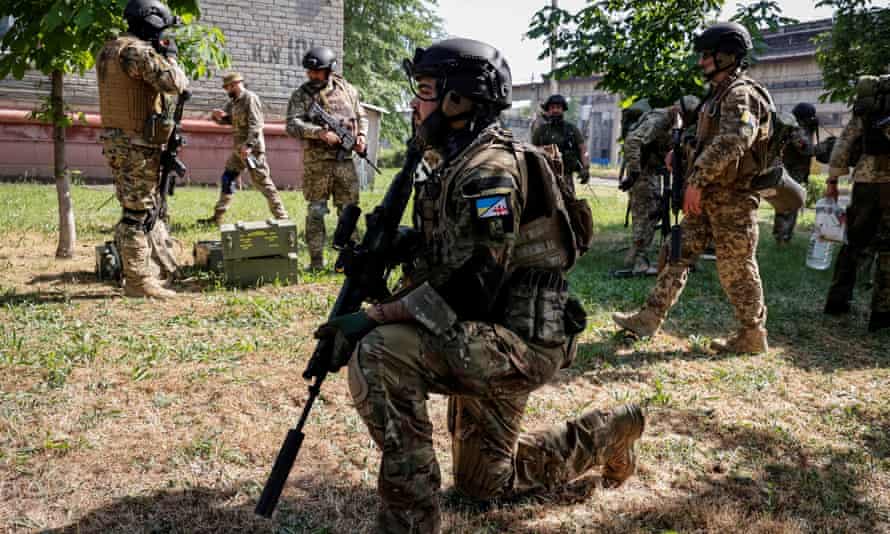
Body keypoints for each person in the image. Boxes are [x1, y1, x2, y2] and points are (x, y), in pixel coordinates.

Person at [314, 39, 645, 534]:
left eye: (425, 92)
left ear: (458, 100)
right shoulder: (455, 160)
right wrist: (403, 244)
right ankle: (611, 432)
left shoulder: (489, 171)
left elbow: (477, 286)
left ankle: (408, 521)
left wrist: (376, 316)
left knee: (380, 352)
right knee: (484, 485)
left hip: (515, 340)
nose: (415, 104)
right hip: (480, 333)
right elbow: (458, 254)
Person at [613, 22, 772, 354]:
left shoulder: (742, 94)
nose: (701, 62)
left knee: (736, 267)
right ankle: (649, 317)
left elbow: (733, 142)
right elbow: (709, 140)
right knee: (676, 253)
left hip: (733, 198)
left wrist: (696, 181)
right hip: (709, 195)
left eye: (707, 56)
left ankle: (752, 334)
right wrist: (681, 152)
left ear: (728, 55)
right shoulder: (717, 95)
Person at [96, 0, 188, 298]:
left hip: (119, 141)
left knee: (135, 207)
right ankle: (138, 282)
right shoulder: (136, 51)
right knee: (137, 213)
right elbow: (174, 83)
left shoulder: (110, 49)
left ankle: (141, 272)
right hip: (136, 143)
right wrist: (171, 57)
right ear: (150, 23)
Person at [285, 46, 368, 271]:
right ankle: (316, 263)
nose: (312, 75)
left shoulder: (348, 90)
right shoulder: (302, 95)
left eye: (317, 71)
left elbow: (361, 116)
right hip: (317, 164)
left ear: (330, 69)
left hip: (345, 162)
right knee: (316, 212)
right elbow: (292, 125)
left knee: (349, 211)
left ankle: (349, 262)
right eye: (309, 71)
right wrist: (320, 133)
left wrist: (361, 136)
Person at [823, 77, 890, 332]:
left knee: (854, 242)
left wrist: (832, 179)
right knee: (888, 248)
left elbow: (844, 143)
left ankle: (837, 301)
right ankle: (882, 315)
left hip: (865, 181)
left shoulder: (868, 105)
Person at [619, 96, 700, 274]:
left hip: (654, 169)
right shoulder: (658, 119)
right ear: (681, 111)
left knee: (656, 209)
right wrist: (634, 172)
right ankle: (638, 259)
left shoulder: (674, 124)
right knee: (646, 211)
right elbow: (632, 142)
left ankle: (652, 254)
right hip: (642, 170)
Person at [197, 72, 288, 225]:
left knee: (263, 183)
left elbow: (256, 125)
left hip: (252, 150)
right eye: (226, 88)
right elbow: (227, 121)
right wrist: (216, 116)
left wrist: (249, 146)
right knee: (228, 178)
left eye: (228, 87)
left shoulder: (250, 98)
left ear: (235, 85)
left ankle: (282, 218)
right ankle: (217, 217)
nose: (227, 90)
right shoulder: (233, 102)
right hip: (238, 150)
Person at [772, 102, 817, 244]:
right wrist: (822, 147)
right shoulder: (796, 128)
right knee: (789, 204)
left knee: (786, 204)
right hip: (791, 172)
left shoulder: (793, 126)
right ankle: (783, 237)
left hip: (790, 171)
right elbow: (805, 149)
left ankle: (782, 235)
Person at [531, 94, 591, 184]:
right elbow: (532, 150)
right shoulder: (541, 130)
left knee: (567, 197)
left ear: (563, 110)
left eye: (558, 107)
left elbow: (583, 149)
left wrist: (585, 168)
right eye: (552, 108)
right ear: (548, 110)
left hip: (566, 176)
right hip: (544, 176)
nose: (555, 110)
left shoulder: (571, 129)